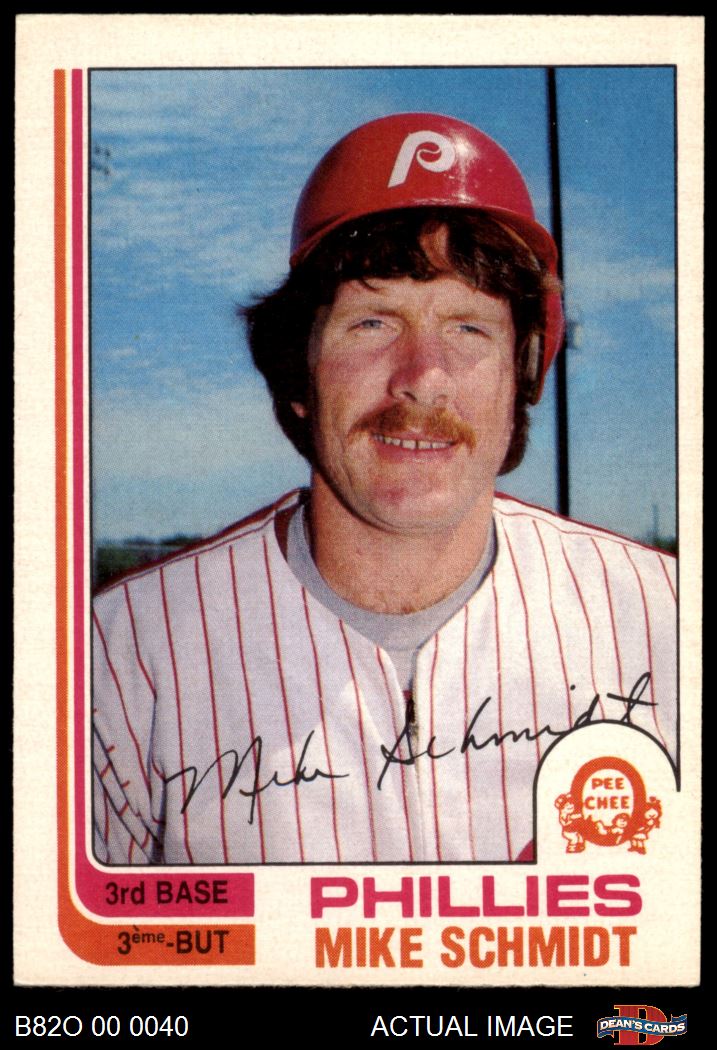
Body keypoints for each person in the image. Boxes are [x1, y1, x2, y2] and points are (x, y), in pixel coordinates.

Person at [93, 113, 677, 865]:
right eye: (371, 322)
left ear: (524, 372)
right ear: (298, 372)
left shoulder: (666, 618)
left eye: (469, 328)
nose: (423, 378)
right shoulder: (123, 654)